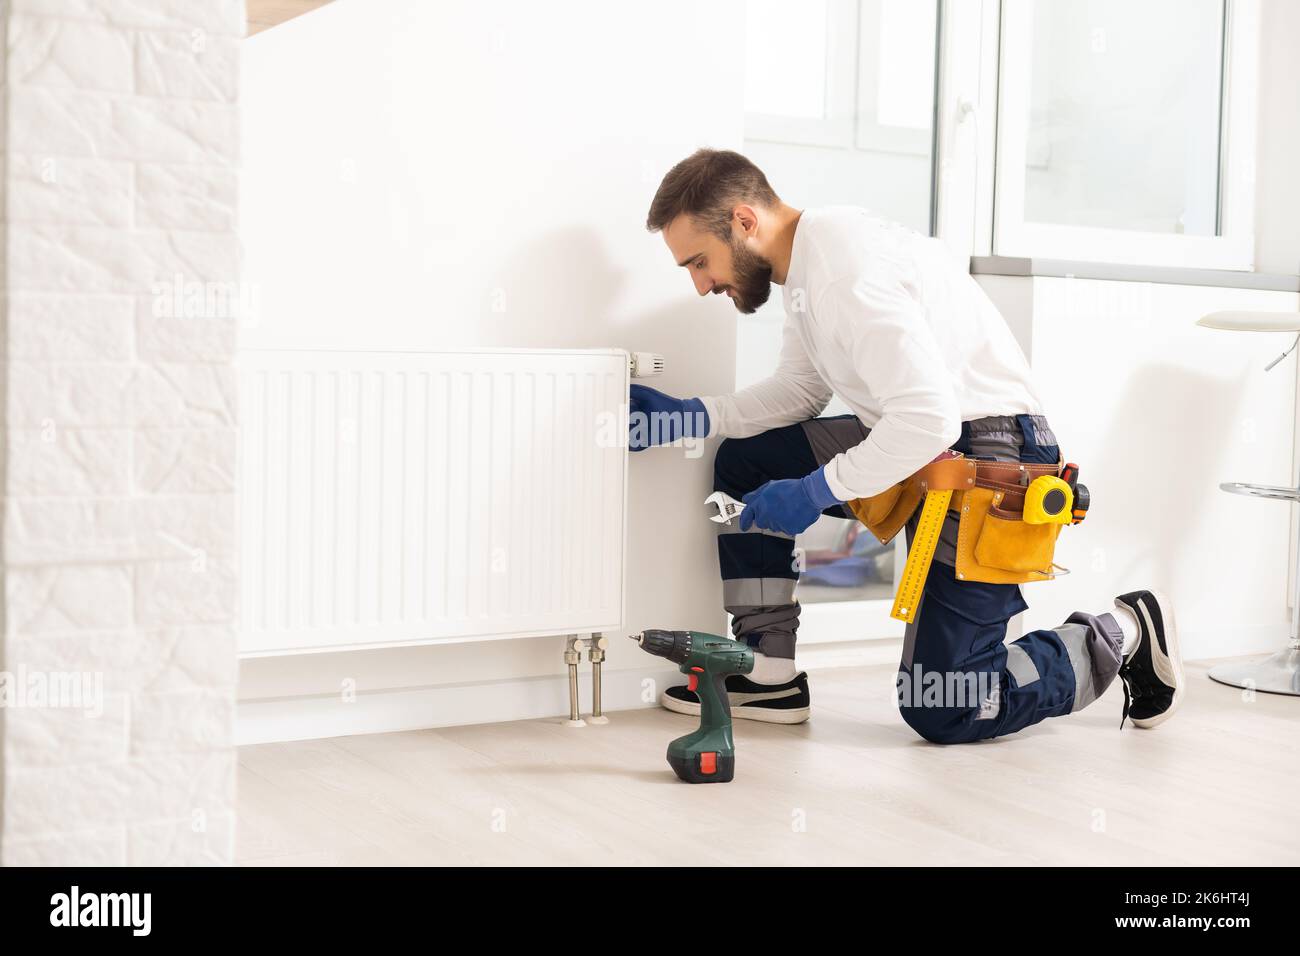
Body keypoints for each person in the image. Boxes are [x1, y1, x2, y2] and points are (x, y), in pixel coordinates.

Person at [629, 148, 1183, 743]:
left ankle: (1123, 631)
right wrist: (694, 416)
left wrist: (816, 492)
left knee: (946, 705)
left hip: (989, 460)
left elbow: (929, 419)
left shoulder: (846, 271)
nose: (701, 284)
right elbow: (800, 389)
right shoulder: (808, 268)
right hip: (919, 442)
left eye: (699, 262)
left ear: (743, 222)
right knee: (749, 458)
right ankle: (768, 672)